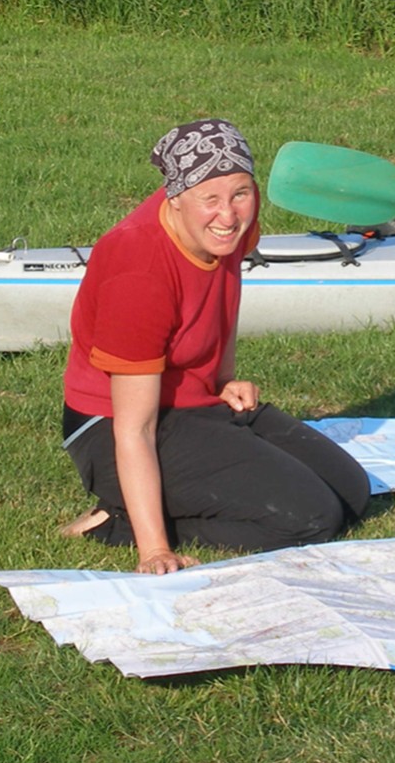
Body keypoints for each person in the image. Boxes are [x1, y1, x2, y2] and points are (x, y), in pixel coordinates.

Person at [59, 118, 371, 575]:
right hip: (112, 426)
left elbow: (221, 295)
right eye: (210, 200)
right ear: (176, 200)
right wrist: (154, 551)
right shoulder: (138, 270)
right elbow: (135, 429)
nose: (228, 216)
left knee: (350, 491)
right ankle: (119, 522)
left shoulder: (230, 222)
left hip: (190, 400)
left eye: (240, 194)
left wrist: (220, 378)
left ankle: (165, 499)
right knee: (311, 518)